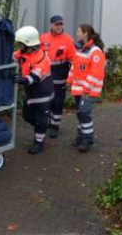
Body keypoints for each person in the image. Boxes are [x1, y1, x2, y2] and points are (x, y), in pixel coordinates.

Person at [13, 26, 54, 154]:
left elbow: (33, 77)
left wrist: (22, 79)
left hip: (43, 94)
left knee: (41, 120)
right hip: (31, 94)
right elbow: (13, 57)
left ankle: (38, 143)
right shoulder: (24, 52)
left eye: (21, 44)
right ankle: (42, 125)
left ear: (28, 44)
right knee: (27, 116)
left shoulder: (43, 59)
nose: (19, 46)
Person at [67, 24, 106, 153]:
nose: (77, 33)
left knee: (84, 113)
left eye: (79, 31)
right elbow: (74, 67)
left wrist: (86, 88)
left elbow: (96, 73)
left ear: (85, 33)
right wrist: (69, 80)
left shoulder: (95, 52)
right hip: (80, 89)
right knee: (80, 113)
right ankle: (81, 136)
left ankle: (88, 139)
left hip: (88, 90)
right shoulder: (81, 49)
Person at [39, 15, 76, 139]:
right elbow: (37, 55)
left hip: (60, 75)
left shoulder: (68, 40)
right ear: (51, 25)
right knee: (46, 101)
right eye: (57, 24)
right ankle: (47, 122)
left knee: (58, 102)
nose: (59, 27)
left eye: (61, 24)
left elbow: (74, 60)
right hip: (45, 75)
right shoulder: (43, 38)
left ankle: (55, 126)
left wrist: (73, 77)